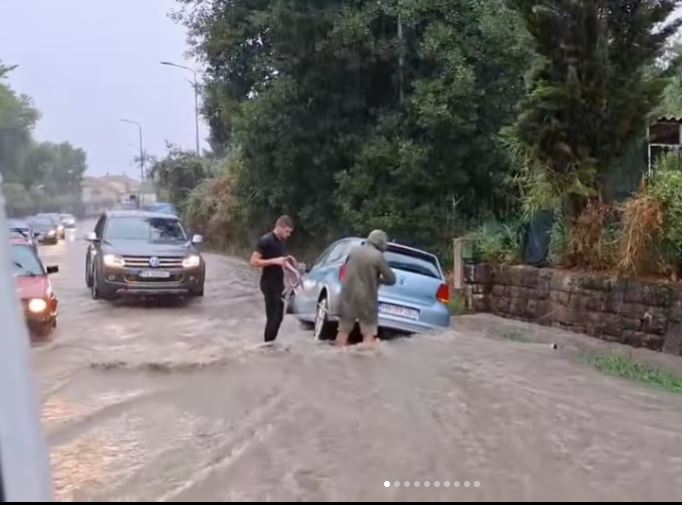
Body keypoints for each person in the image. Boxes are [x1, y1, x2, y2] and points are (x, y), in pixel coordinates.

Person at [336, 229, 396, 348]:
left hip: (348, 296)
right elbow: (391, 279)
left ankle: (337, 360)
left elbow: (345, 268)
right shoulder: (377, 256)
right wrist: (378, 280)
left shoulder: (354, 251)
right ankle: (364, 362)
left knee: (343, 331)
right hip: (367, 299)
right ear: (380, 242)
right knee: (368, 333)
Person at [250, 215, 296, 343]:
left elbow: (281, 260)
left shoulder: (280, 242)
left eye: (290, 232)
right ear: (279, 227)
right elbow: (253, 262)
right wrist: (275, 261)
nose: (288, 235)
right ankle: (267, 346)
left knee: (279, 317)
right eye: (287, 231)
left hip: (278, 284)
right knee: (272, 318)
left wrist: (291, 264)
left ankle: (271, 344)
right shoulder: (266, 240)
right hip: (268, 284)